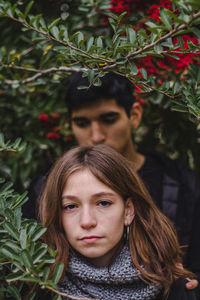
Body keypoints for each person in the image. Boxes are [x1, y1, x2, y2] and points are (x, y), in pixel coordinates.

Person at [24, 72, 200, 292]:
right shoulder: (45, 188)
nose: (96, 135)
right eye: (82, 123)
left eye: (109, 119)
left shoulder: (180, 183)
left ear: (134, 115)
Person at [39, 144, 198, 300]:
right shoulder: (38, 284)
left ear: (128, 211)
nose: (87, 221)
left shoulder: (172, 287)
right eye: (71, 206)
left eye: (103, 203)